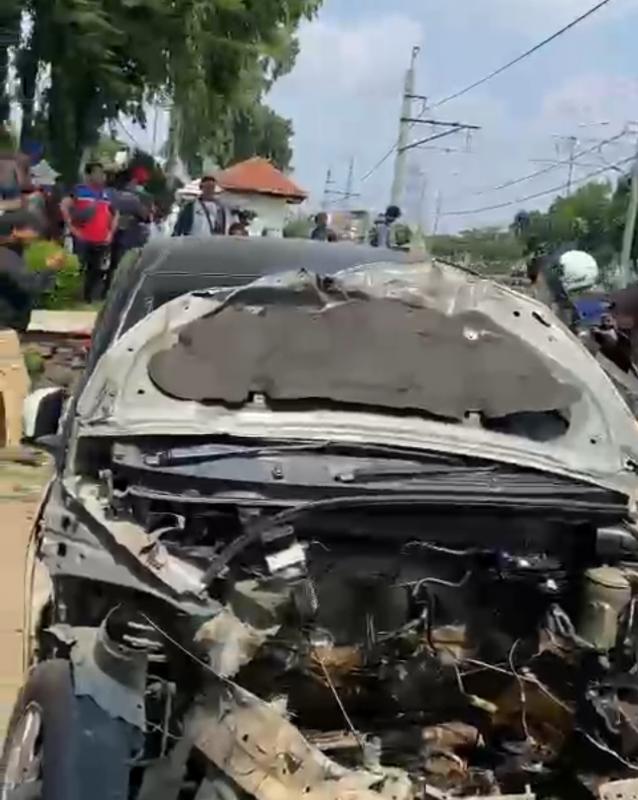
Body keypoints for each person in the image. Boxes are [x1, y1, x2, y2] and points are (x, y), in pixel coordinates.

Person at [61, 162, 119, 302]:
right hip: (83, 238)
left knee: (96, 270)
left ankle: (88, 297)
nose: (101, 176)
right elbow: (64, 206)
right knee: (79, 267)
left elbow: (115, 213)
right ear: (88, 175)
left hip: (101, 238)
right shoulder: (79, 190)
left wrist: (110, 233)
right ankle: (73, 296)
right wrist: (71, 227)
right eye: (97, 172)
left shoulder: (107, 194)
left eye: (103, 173)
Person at [0, 210, 62, 332]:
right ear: (16, 231)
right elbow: (30, 285)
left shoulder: (12, 252)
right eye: (33, 229)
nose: (36, 235)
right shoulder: (6, 257)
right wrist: (50, 268)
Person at [109, 167, 152, 282]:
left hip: (106, 234)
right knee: (125, 266)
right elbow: (146, 217)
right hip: (130, 237)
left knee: (111, 264)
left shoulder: (107, 193)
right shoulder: (137, 198)